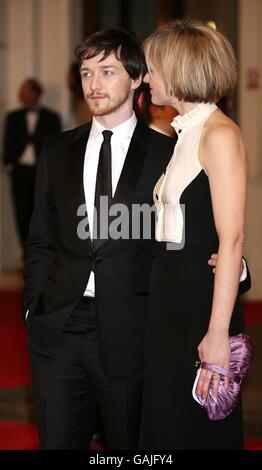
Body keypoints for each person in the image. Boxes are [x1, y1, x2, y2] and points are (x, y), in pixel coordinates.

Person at [23, 28, 249, 451]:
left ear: (134, 78)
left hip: (137, 332)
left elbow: (208, 231)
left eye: (107, 71)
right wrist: (32, 309)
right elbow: (40, 239)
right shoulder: (57, 150)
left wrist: (236, 267)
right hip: (60, 329)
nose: (93, 83)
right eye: (86, 72)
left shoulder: (172, 148)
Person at [139, 19, 250, 450]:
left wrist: (218, 334)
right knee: (168, 426)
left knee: (195, 431)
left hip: (198, 308)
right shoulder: (183, 134)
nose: (146, 78)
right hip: (170, 301)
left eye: (152, 68)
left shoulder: (219, 134)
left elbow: (232, 239)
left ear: (180, 69)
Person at [2, 78, 61, 254]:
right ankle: (26, 255)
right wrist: (9, 164)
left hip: (42, 172)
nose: (19, 94)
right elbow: (8, 143)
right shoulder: (13, 117)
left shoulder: (52, 117)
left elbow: (56, 145)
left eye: (24, 90)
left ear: (35, 93)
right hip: (19, 172)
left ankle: (44, 253)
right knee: (21, 213)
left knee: (43, 212)